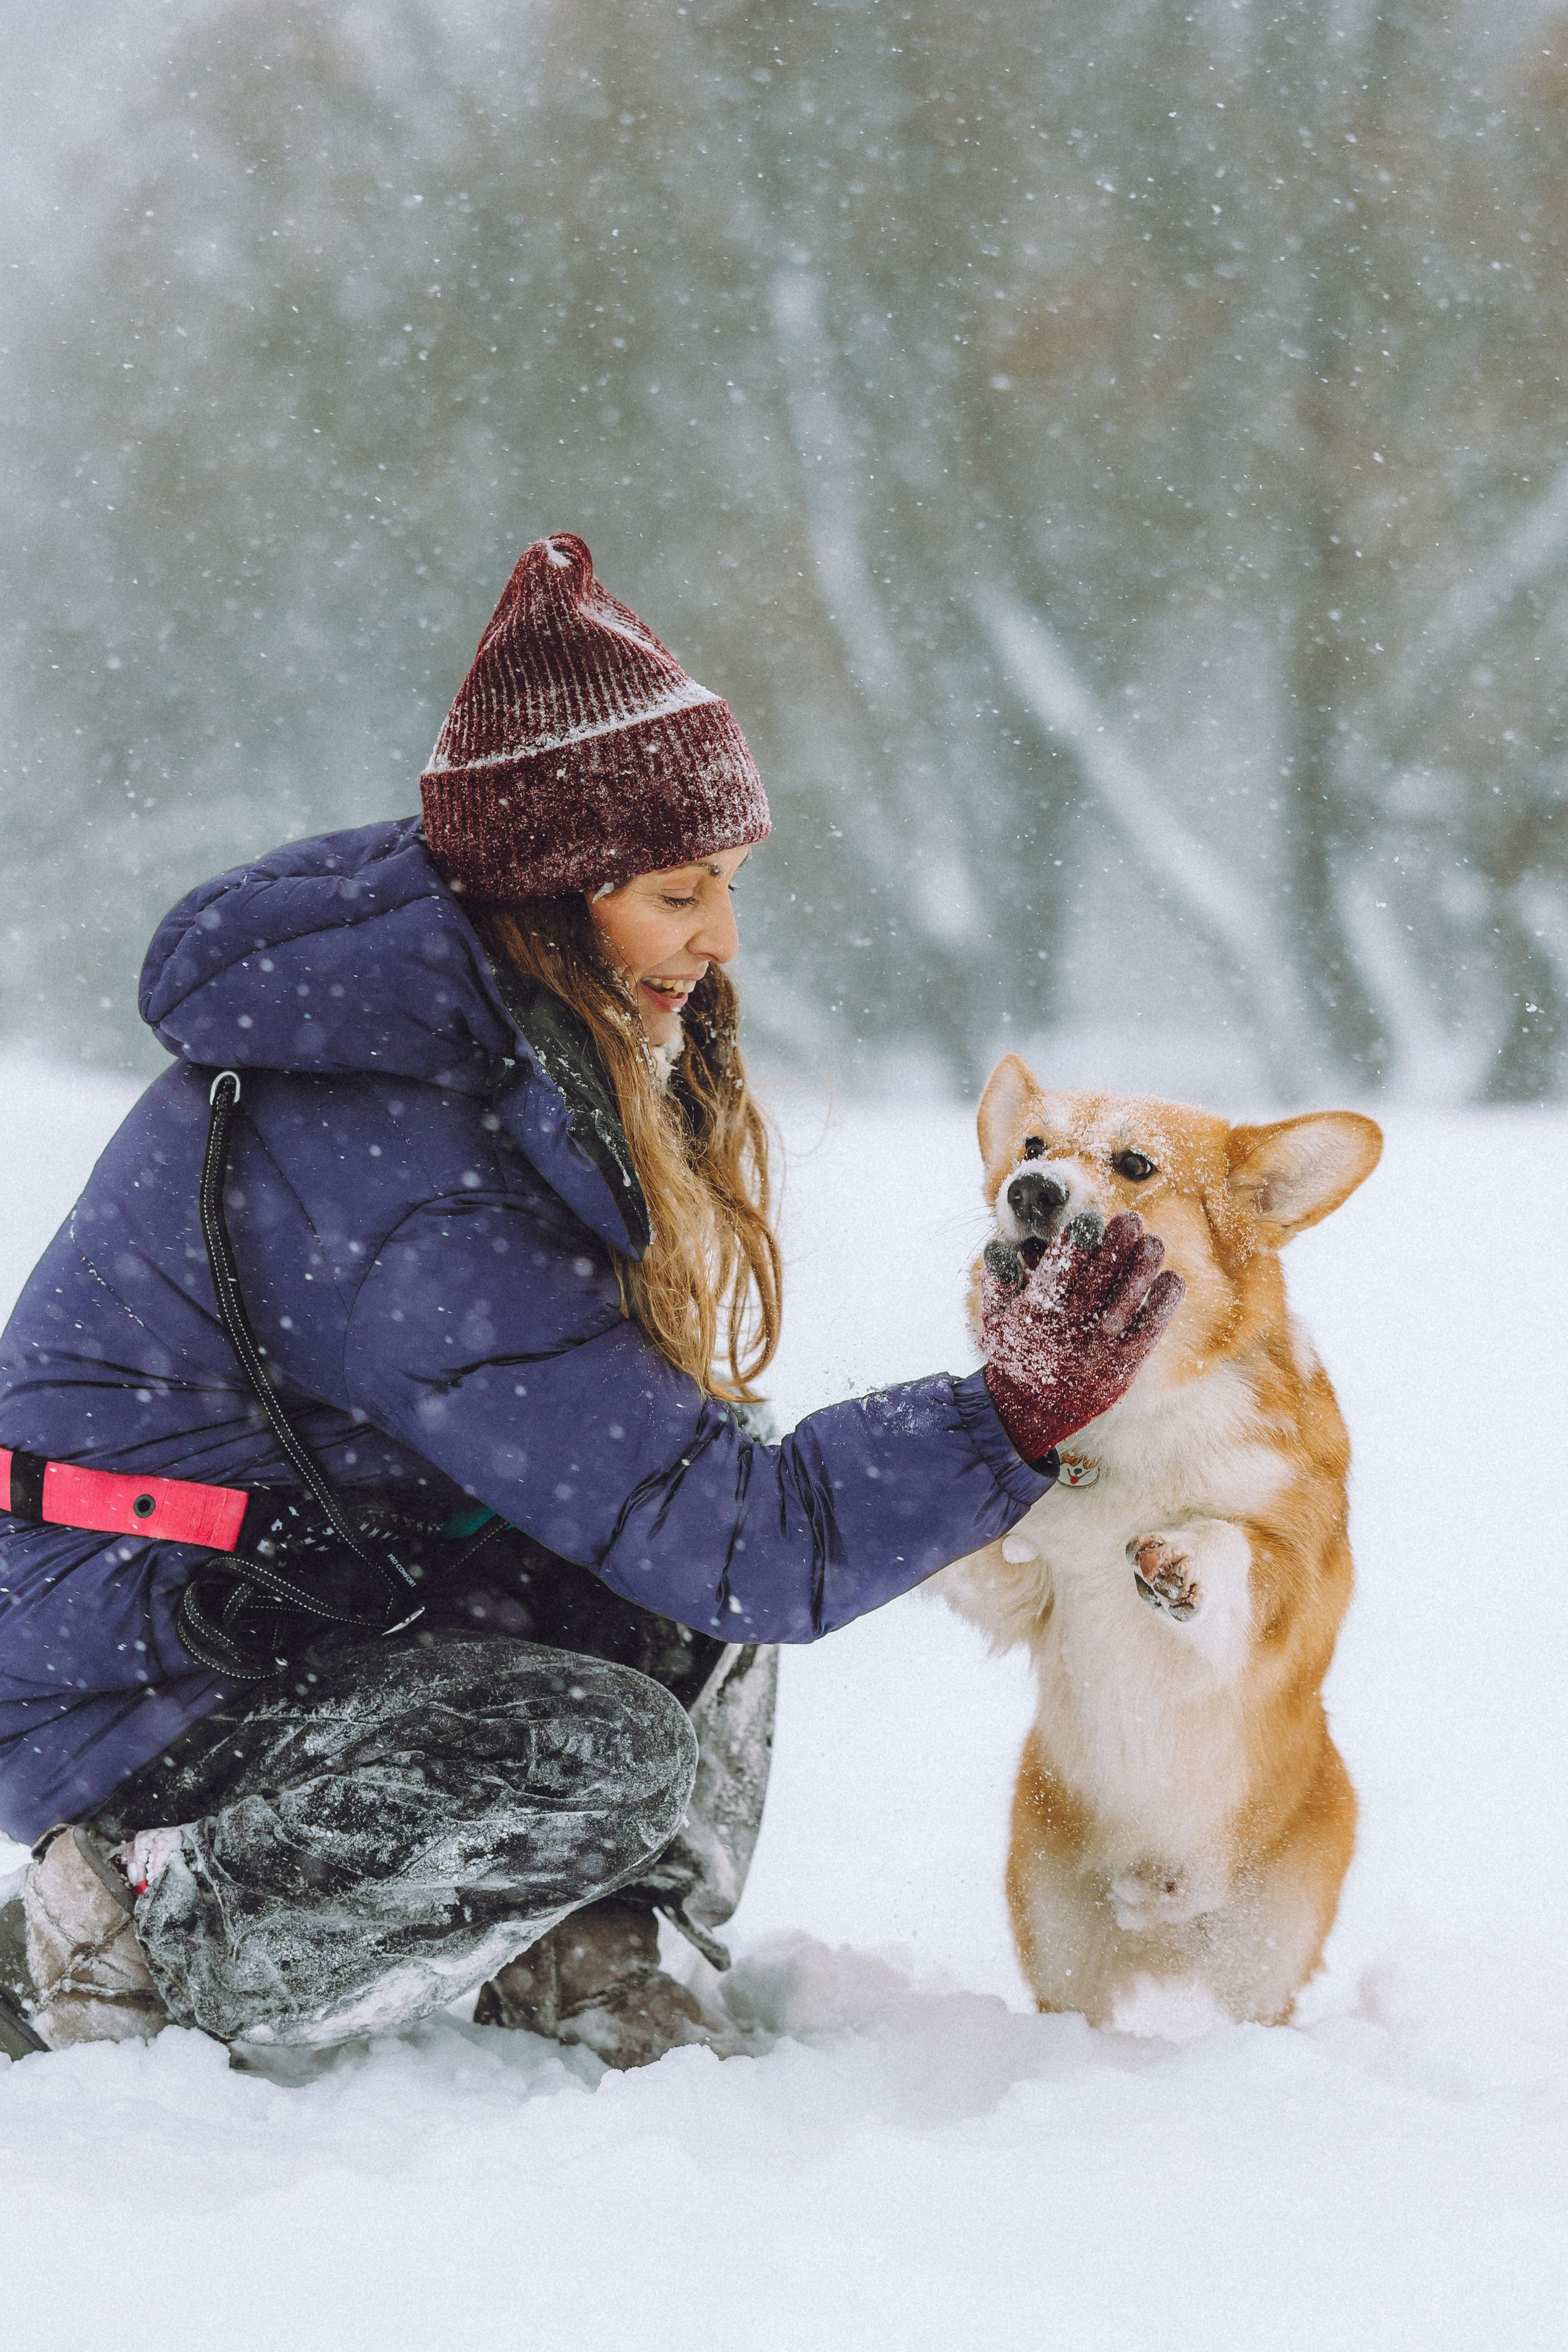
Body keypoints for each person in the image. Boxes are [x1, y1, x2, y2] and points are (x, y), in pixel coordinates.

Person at [0, 533, 1182, 2068]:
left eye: (731, 886)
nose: (721, 941)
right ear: (550, 901)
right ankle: (120, 1931)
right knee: (597, 1737)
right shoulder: (402, 1162)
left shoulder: (460, 1038)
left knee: (677, 1513)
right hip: (138, 1666)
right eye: (678, 894)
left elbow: (676, 1504)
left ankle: (597, 1939)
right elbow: (747, 1546)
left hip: (312, 1592)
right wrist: (1003, 1418)